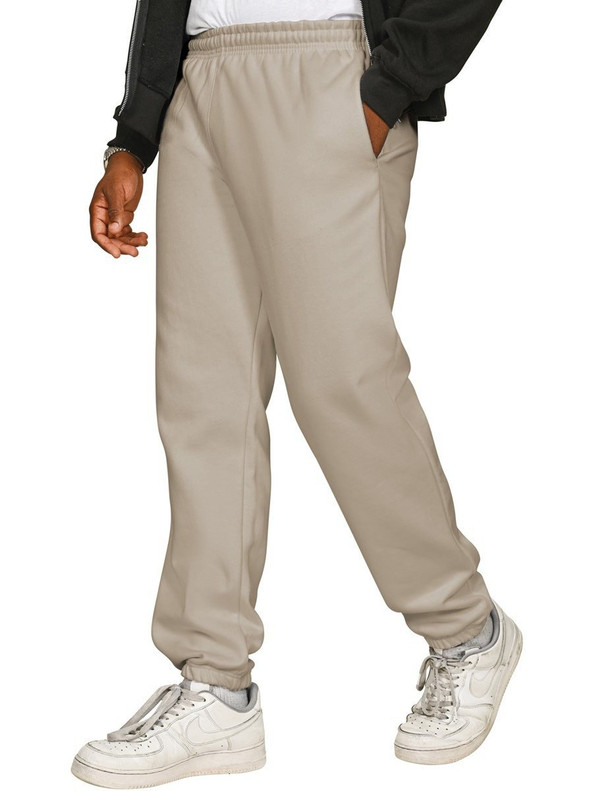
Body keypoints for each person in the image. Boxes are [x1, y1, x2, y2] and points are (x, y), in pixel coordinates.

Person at [72, 1, 522, 785]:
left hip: (331, 66)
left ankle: (465, 628)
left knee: (341, 382)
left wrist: (389, 89)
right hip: (202, 78)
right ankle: (215, 683)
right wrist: (134, 137)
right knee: (201, 394)